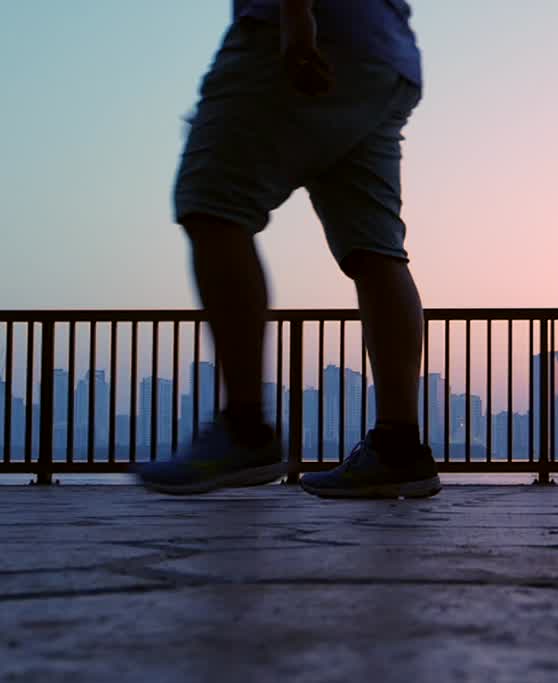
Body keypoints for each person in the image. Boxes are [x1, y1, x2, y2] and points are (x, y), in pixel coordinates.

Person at [138, 0, 439, 499]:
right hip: (386, 57)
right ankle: (399, 445)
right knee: (376, 249)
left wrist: (298, 23)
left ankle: (245, 428)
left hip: (304, 32)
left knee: (212, 203)